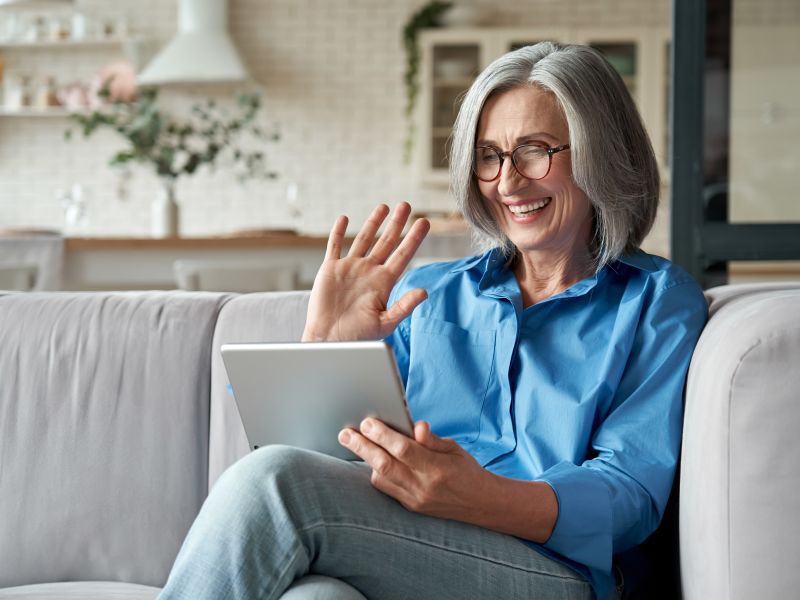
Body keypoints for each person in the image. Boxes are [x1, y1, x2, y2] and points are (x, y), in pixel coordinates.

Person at [159, 41, 707, 600]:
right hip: (409, 548)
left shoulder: (656, 300)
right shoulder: (433, 290)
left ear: (601, 153)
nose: (508, 183)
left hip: (553, 570)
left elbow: (631, 496)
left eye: (535, 150)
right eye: (489, 156)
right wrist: (325, 347)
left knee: (273, 484)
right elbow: (327, 461)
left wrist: (479, 496)